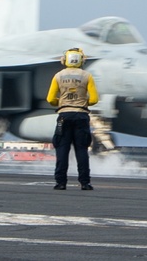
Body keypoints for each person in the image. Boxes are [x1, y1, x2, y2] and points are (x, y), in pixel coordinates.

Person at [46, 47, 99, 191]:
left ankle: (60, 183)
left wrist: (62, 103)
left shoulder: (58, 76)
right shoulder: (87, 76)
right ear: (81, 60)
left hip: (64, 116)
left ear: (65, 60)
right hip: (81, 116)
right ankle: (85, 183)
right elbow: (94, 99)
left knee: (62, 149)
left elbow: (50, 99)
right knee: (81, 150)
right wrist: (81, 102)